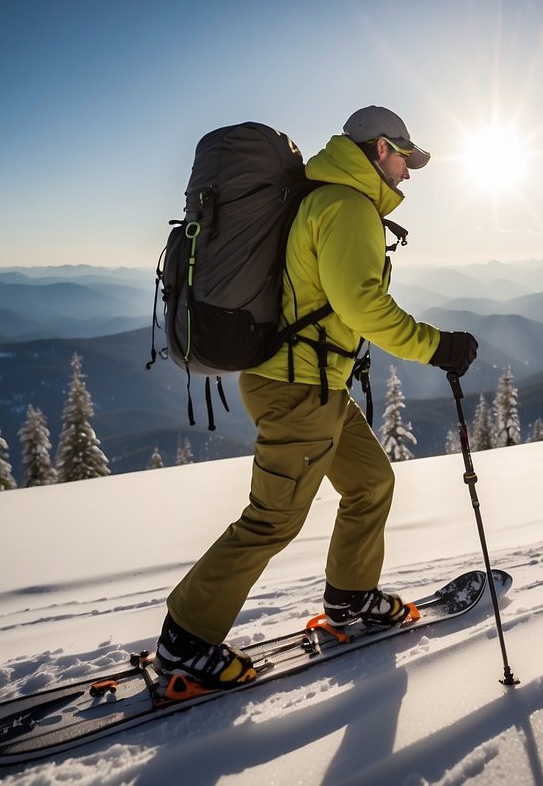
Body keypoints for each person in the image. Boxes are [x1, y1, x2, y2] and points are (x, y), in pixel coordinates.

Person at [155, 105, 479, 690]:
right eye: (407, 157)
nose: (410, 172)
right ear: (381, 149)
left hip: (313, 386)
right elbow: (362, 307)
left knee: (371, 482)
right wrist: (440, 347)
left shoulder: (327, 198)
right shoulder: (347, 207)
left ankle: (351, 600)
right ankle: (185, 639)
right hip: (297, 390)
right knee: (272, 520)